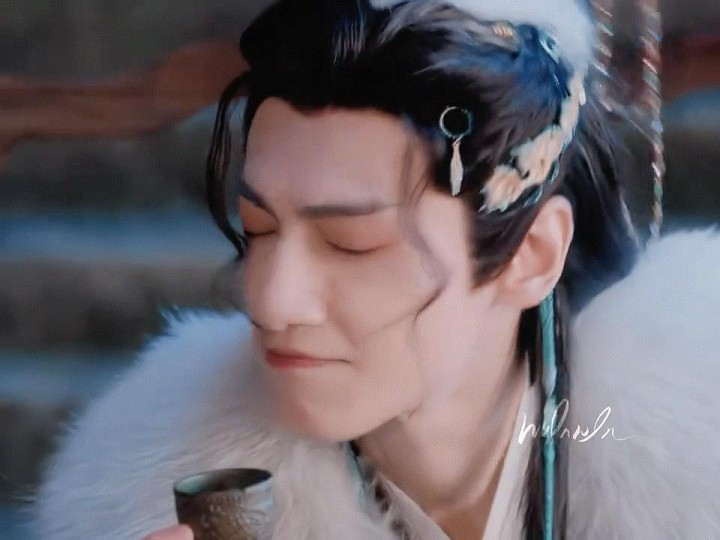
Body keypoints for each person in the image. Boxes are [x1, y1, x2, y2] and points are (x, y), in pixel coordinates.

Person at [32, 0, 720, 538]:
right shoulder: (163, 481)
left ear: (531, 255)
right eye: (259, 229)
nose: (270, 299)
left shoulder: (692, 466)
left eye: (351, 243)